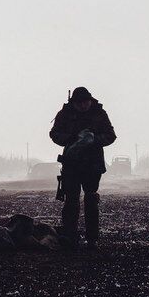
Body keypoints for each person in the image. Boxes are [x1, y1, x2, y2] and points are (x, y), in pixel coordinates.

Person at [49, 87, 117, 248]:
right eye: (79, 103)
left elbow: (111, 136)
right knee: (71, 200)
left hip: (92, 164)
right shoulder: (65, 114)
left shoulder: (99, 113)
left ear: (90, 101)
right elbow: (54, 134)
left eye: (85, 102)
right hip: (71, 164)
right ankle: (70, 236)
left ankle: (92, 238)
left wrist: (94, 139)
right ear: (74, 103)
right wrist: (71, 138)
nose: (83, 106)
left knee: (91, 199)